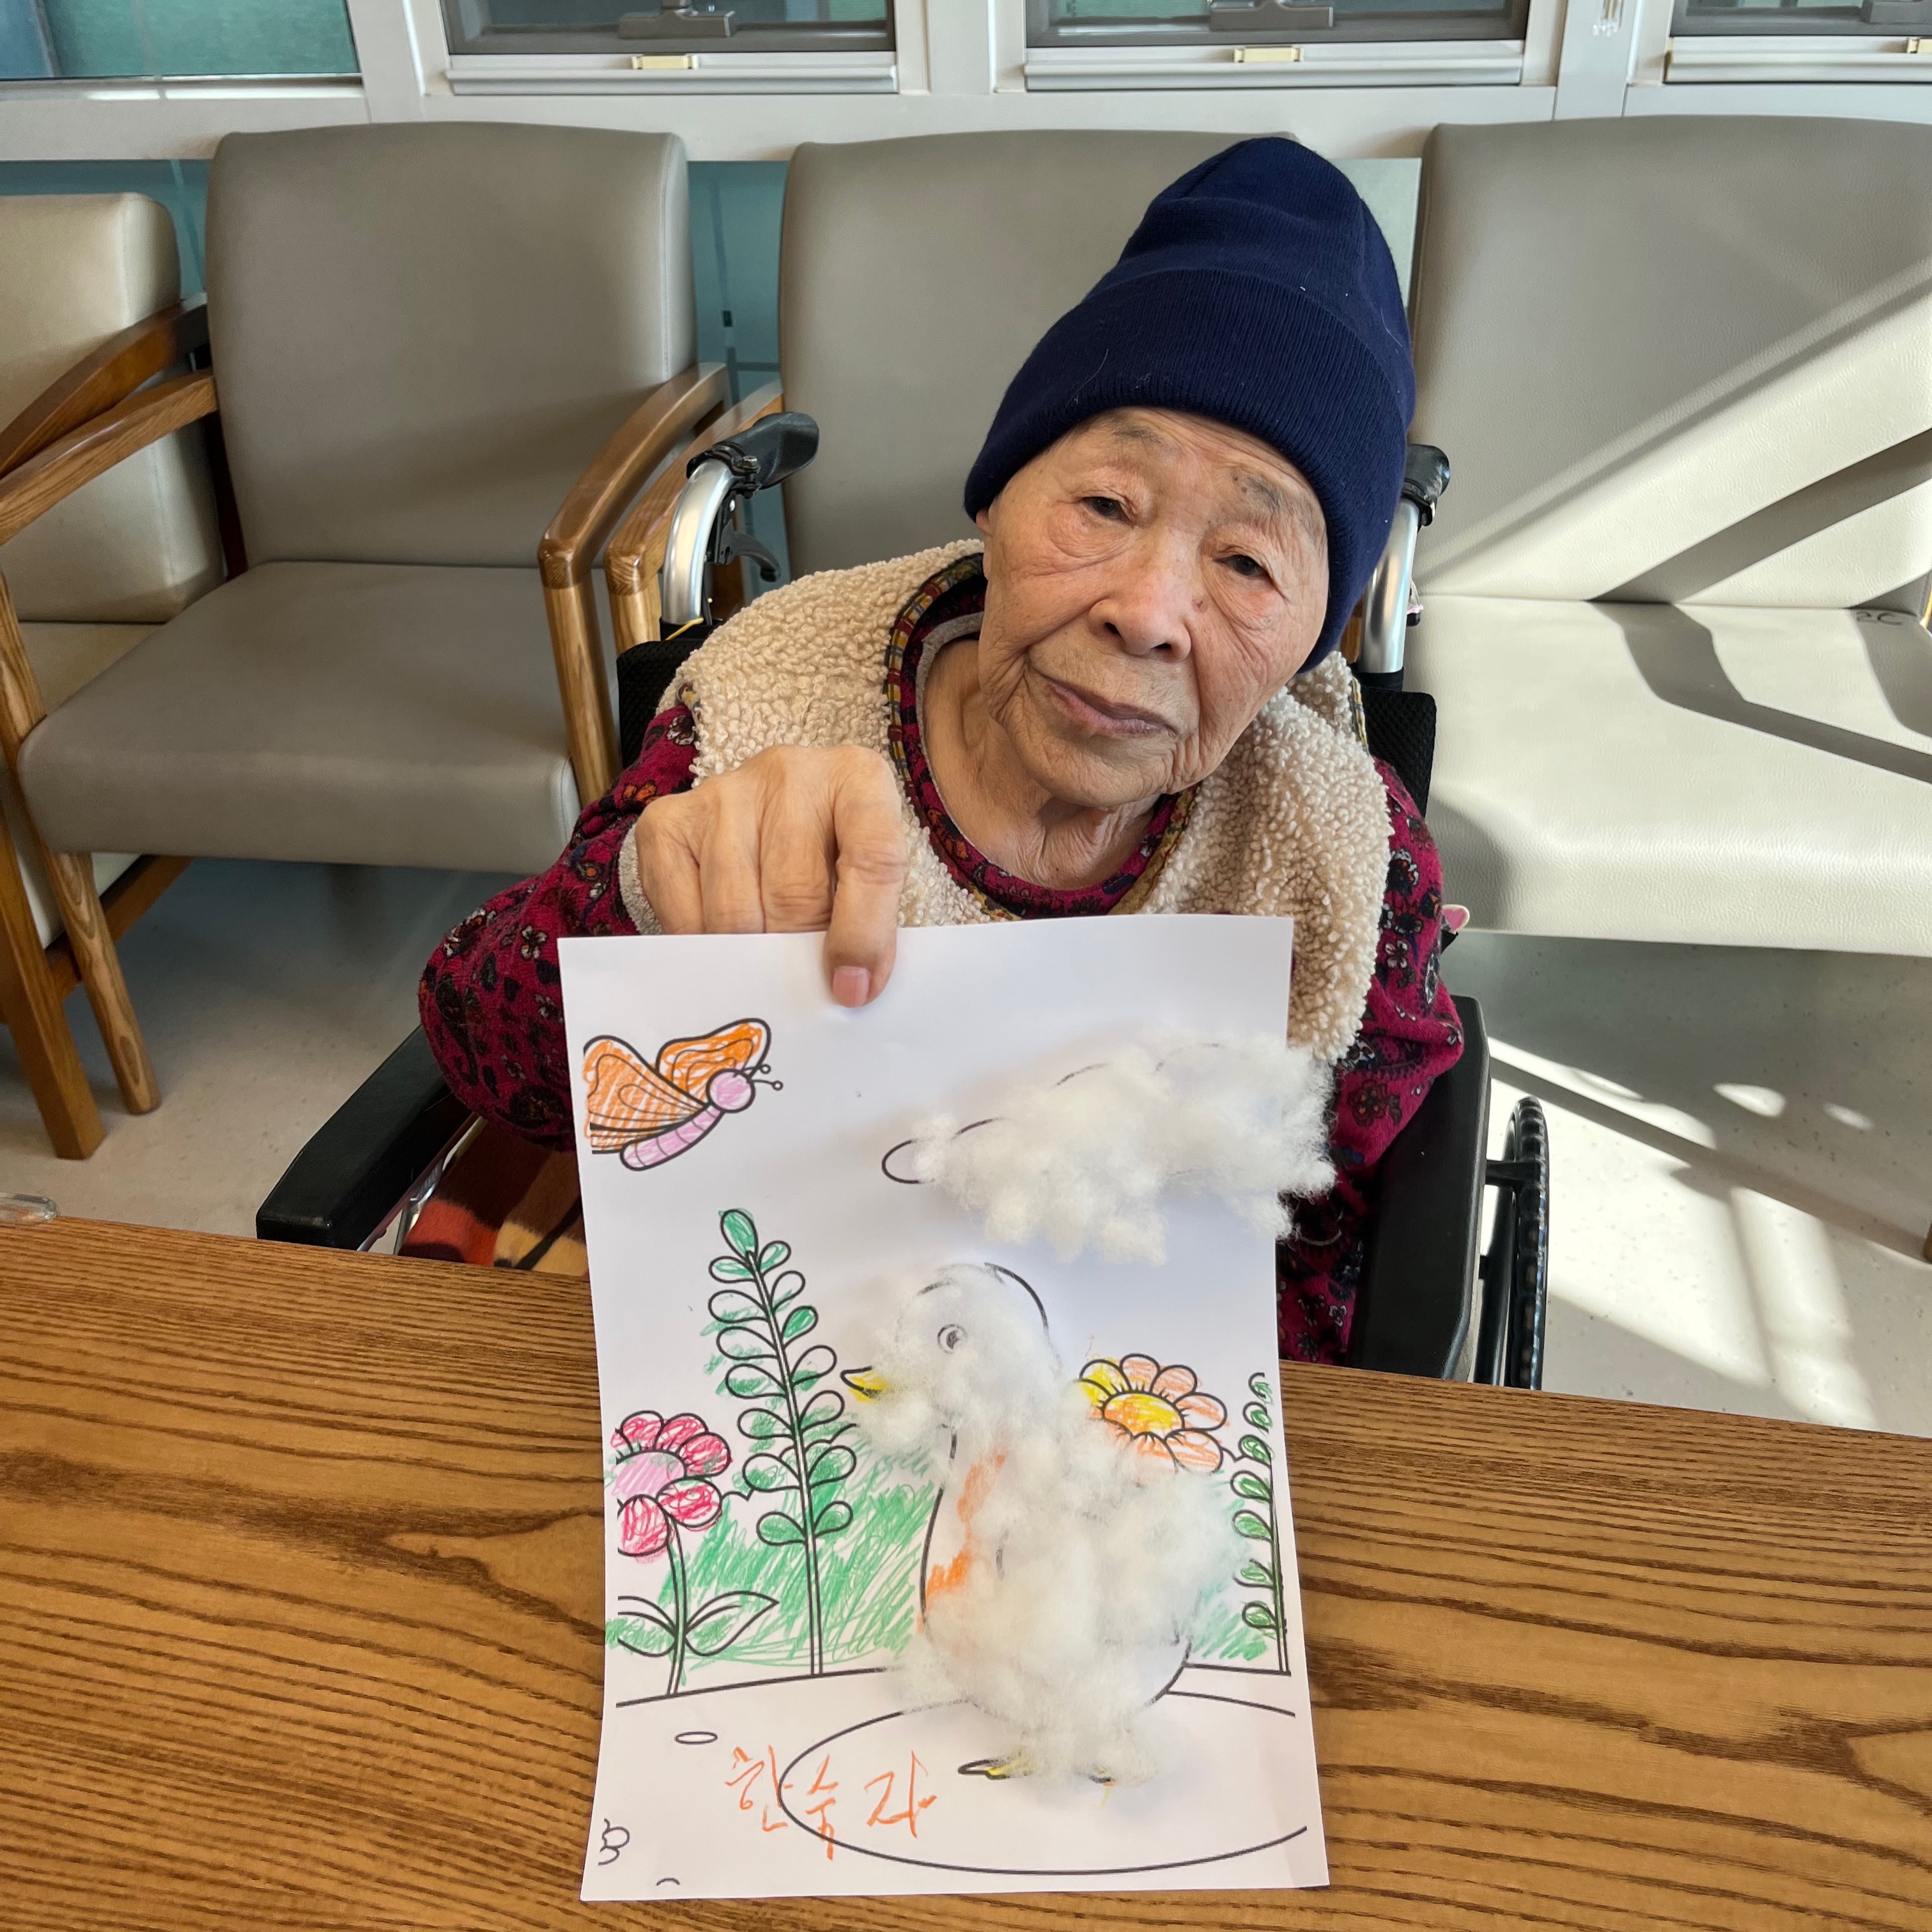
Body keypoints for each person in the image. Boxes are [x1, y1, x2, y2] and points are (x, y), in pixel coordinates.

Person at [418, 136, 1462, 1363]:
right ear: (996, 498)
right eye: (1106, 504)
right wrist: (638, 904)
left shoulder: (1343, 854)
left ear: (1313, 635)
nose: (1148, 611)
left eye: (1247, 562)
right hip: (785, 1363)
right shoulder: (764, 712)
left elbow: (1347, 1222)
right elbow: (489, 1056)